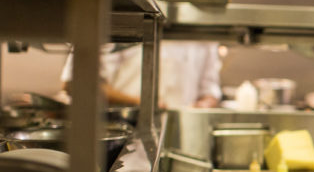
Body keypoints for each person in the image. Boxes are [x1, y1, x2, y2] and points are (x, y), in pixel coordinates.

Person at [61, 41, 221, 108]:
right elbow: (75, 83)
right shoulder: (116, 14)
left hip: (180, 133)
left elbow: (210, 90)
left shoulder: (201, 30)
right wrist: (139, 103)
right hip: (116, 130)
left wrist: (202, 105)